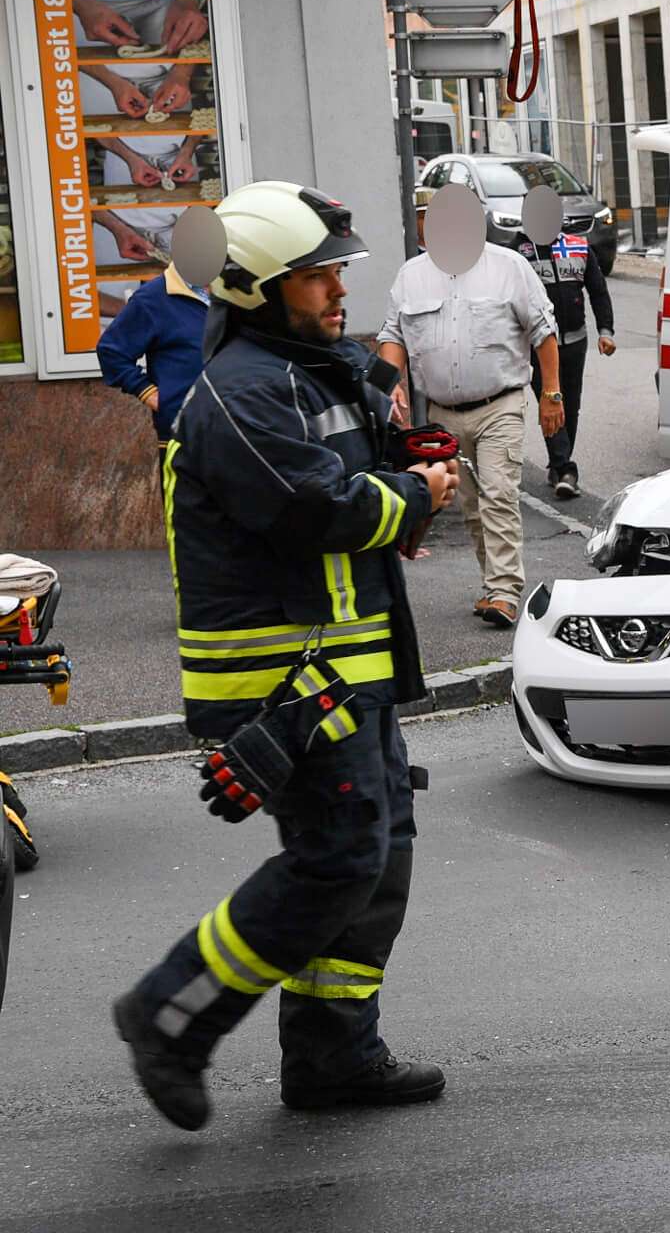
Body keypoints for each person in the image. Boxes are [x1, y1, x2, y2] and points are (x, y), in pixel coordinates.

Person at [112, 181, 458, 1131]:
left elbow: (354, 473)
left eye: (337, 270)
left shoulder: (307, 368)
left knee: (377, 858)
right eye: (317, 277)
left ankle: (333, 1057)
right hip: (286, 684)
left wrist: (408, 466)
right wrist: (414, 498)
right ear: (259, 289)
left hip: (351, 667)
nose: (338, 289)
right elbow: (317, 509)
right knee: (336, 859)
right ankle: (168, 1014)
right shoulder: (237, 396)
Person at [376, 211, 562, 629]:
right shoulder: (411, 276)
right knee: (472, 506)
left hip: (501, 404)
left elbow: (543, 333)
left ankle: (504, 591)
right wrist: (392, 384)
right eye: (426, 218)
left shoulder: (507, 266)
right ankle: (492, 583)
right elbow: (392, 336)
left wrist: (551, 393)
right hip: (443, 414)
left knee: (498, 493)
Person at [512, 221, 615, 499]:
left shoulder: (578, 247)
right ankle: (566, 468)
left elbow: (598, 290)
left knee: (570, 406)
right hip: (538, 346)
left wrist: (606, 331)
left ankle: (558, 464)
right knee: (551, 400)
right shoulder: (517, 252)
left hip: (575, 342)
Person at [95, 260, 209, 475]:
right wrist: (157, 397)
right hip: (182, 434)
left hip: (240, 429)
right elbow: (112, 352)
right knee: (187, 507)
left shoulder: (237, 294)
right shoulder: (154, 297)